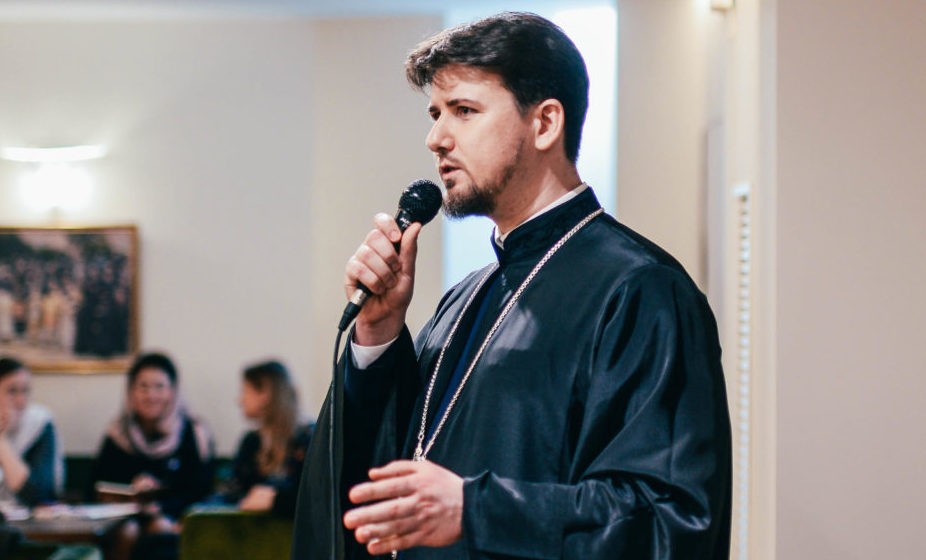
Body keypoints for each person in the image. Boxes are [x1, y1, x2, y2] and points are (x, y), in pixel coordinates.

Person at [293, 11, 732, 560]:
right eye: (435, 114)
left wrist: (475, 510)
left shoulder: (641, 291)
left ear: (545, 123)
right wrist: (377, 334)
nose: (436, 139)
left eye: (464, 111)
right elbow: (396, 469)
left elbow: (668, 520)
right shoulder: (464, 298)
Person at [89, 352, 214, 560]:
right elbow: (96, 487)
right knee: (127, 532)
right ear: (131, 392)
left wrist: (159, 505)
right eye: (143, 387)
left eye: (159, 387)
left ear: (173, 391)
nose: (151, 396)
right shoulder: (117, 434)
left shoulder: (194, 434)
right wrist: (133, 494)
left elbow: (202, 490)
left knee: (161, 527)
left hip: (176, 519)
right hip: (124, 520)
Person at [214, 359, 313, 517]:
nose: (240, 400)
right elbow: (231, 492)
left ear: (265, 394)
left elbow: (316, 496)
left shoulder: (309, 439)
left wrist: (276, 500)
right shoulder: (251, 441)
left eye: (245, 391)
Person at [0, 356, 64, 508]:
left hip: (28, 519)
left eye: (26, 391)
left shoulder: (40, 423)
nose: (21, 401)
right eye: (12, 391)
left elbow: (39, 495)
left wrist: (1, 441)